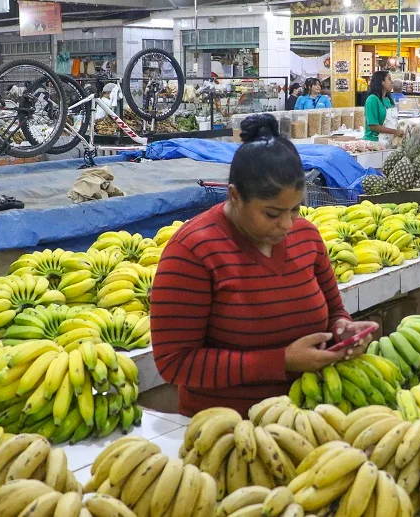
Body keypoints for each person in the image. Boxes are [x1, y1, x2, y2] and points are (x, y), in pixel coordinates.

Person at [150, 113, 377, 415]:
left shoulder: (306, 237)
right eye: (271, 214)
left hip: (305, 418)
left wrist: (342, 329)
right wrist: (280, 361)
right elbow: (175, 363)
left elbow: (334, 310)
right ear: (235, 196)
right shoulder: (193, 251)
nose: (286, 224)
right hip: (224, 430)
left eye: (295, 209)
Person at [364, 71, 404, 144]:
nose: (392, 82)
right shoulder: (372, 99)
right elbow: (373, 126)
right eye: (389, 79)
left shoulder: (389, 99)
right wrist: (395, 132)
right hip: (374, 143)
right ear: (382, 82)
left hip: (388, 142)